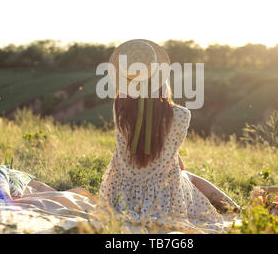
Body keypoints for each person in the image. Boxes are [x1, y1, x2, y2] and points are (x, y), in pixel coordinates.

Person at [99, 39, 239, 231]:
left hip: (121, 194)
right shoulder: (181, 115)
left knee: (183, 174)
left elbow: (145, 132)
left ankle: (235, 209)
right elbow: (173, 156)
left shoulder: (120, 110)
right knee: (188, 176)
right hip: (162, 197)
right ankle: (236, 210)